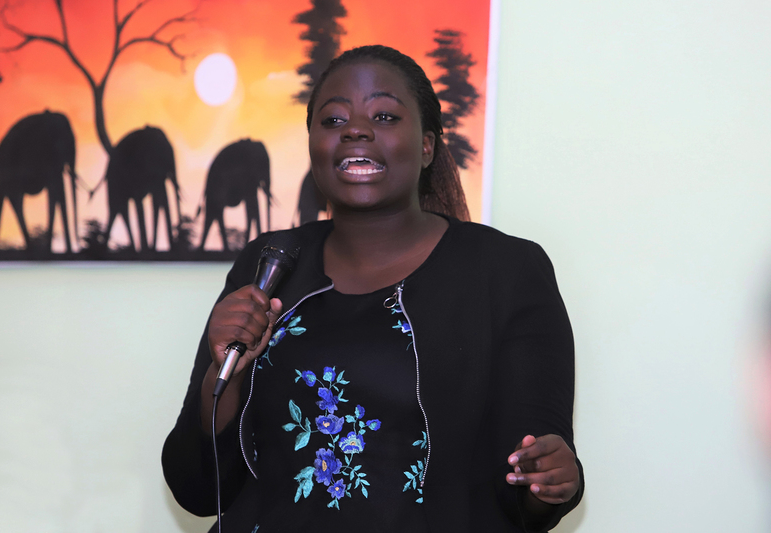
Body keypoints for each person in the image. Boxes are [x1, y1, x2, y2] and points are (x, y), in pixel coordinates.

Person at [162, 45, 583, 532]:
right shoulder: (270, 264)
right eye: (333, 120)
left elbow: (530, 492)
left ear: (427, 145)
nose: (355, 131)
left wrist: (550, 479)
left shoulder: (506, 271)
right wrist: (225, 374)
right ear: (313, 146)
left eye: (383, 115)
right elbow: (195, 488)